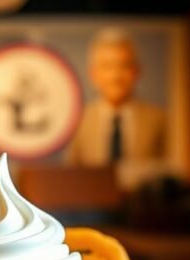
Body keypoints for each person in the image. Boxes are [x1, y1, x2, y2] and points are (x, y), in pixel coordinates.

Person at [66, 29, 166, 168]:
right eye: (107, 66)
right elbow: (72, 174)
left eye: (124, 66)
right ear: (94, 74)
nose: (115, 76)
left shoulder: (160, 120)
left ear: (136, 71)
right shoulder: (79, 120)